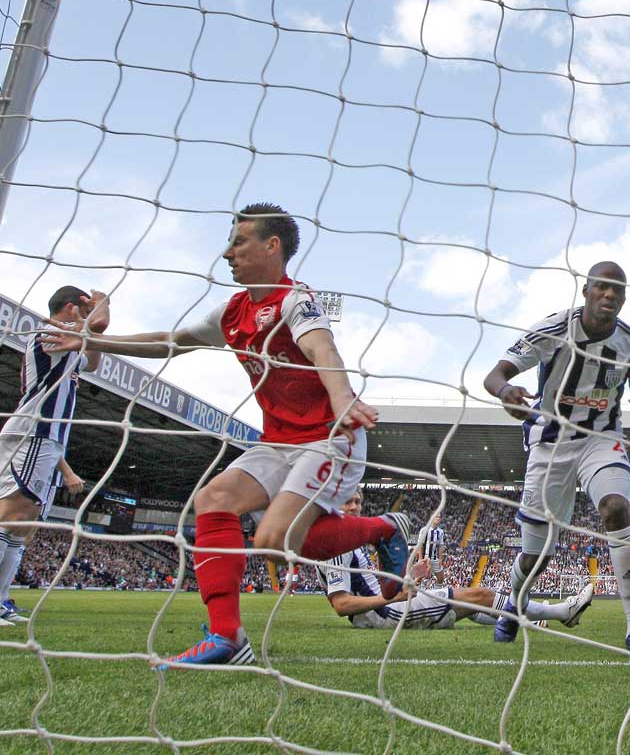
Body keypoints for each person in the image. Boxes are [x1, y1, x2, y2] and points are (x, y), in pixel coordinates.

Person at [42, 202, 412, 666]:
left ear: (271, 246)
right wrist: (92, 341)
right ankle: (228, 637)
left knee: (273, 542)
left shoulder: (296, 301)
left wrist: (341, 397)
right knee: (214, 499)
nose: (227, 253)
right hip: (279, 441)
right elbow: (171, 342)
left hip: (330, 437)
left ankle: (384, 529)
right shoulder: (233, 311)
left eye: (239, 242)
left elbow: (323, 346)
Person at [482, 261, 630, 658]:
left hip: (601, 439)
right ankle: (513, 602)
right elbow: (494, 374)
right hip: (549, 444)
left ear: (625, 298)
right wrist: (505, 391)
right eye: (602, 287)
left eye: (618, 289)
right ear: (586, 291)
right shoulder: (554, 328)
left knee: (616, 510)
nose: (609, 295)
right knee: (538, 555)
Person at [0, 286, 108, 627]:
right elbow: (99, 327)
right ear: (71, 306)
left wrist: (93, 320)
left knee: (24, 524)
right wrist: (101, 305)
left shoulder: (69, 343)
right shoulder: (48, 332)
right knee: (12, 513)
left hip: (46, 438)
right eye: (82, 307)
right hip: (33, 431)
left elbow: (94, 360)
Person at [321, 492, 594, 631]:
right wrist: (392, 600)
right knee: (480, 595)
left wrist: (407, 575)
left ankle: (532, 620)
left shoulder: (347, 541)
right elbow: (342, 604)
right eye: (348, 502)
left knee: (469, 604)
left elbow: (370, 586)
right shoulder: (334, 546)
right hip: (386, 616)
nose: (355, 507)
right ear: (333, 504)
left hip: (388, 609)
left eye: (358, 501)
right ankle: (561, 613)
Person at [417, 511, 446, 584]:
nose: (439, 518)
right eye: (437, 517)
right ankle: (413, 593)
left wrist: (440, 558)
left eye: (440, 517)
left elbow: (440, 546)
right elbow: (420, 545)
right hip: (425, 558)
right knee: (418, 579)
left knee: (441, 578)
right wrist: (420, 559)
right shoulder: (424, 530)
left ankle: (436, 593)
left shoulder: (441, 532)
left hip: (435, 559)